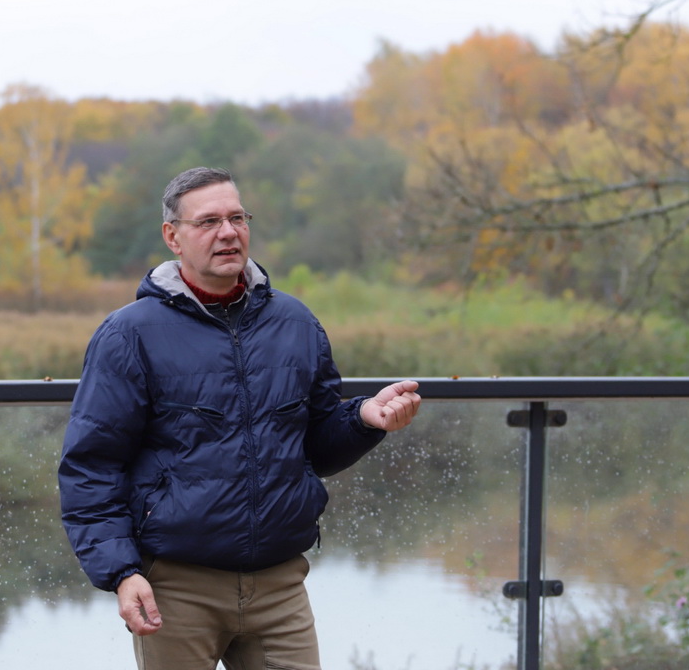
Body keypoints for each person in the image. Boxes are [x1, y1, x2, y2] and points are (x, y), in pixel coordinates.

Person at [58, 166, 421, 670]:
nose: (228, 232)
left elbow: (315, 447)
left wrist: (364, 418)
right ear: (173, 237)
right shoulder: (129, 335)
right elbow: (91, 467)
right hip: (176, 588)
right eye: (208, 221)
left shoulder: (296, 323)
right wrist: (121, 572)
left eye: (237, 218)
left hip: (280, 585)